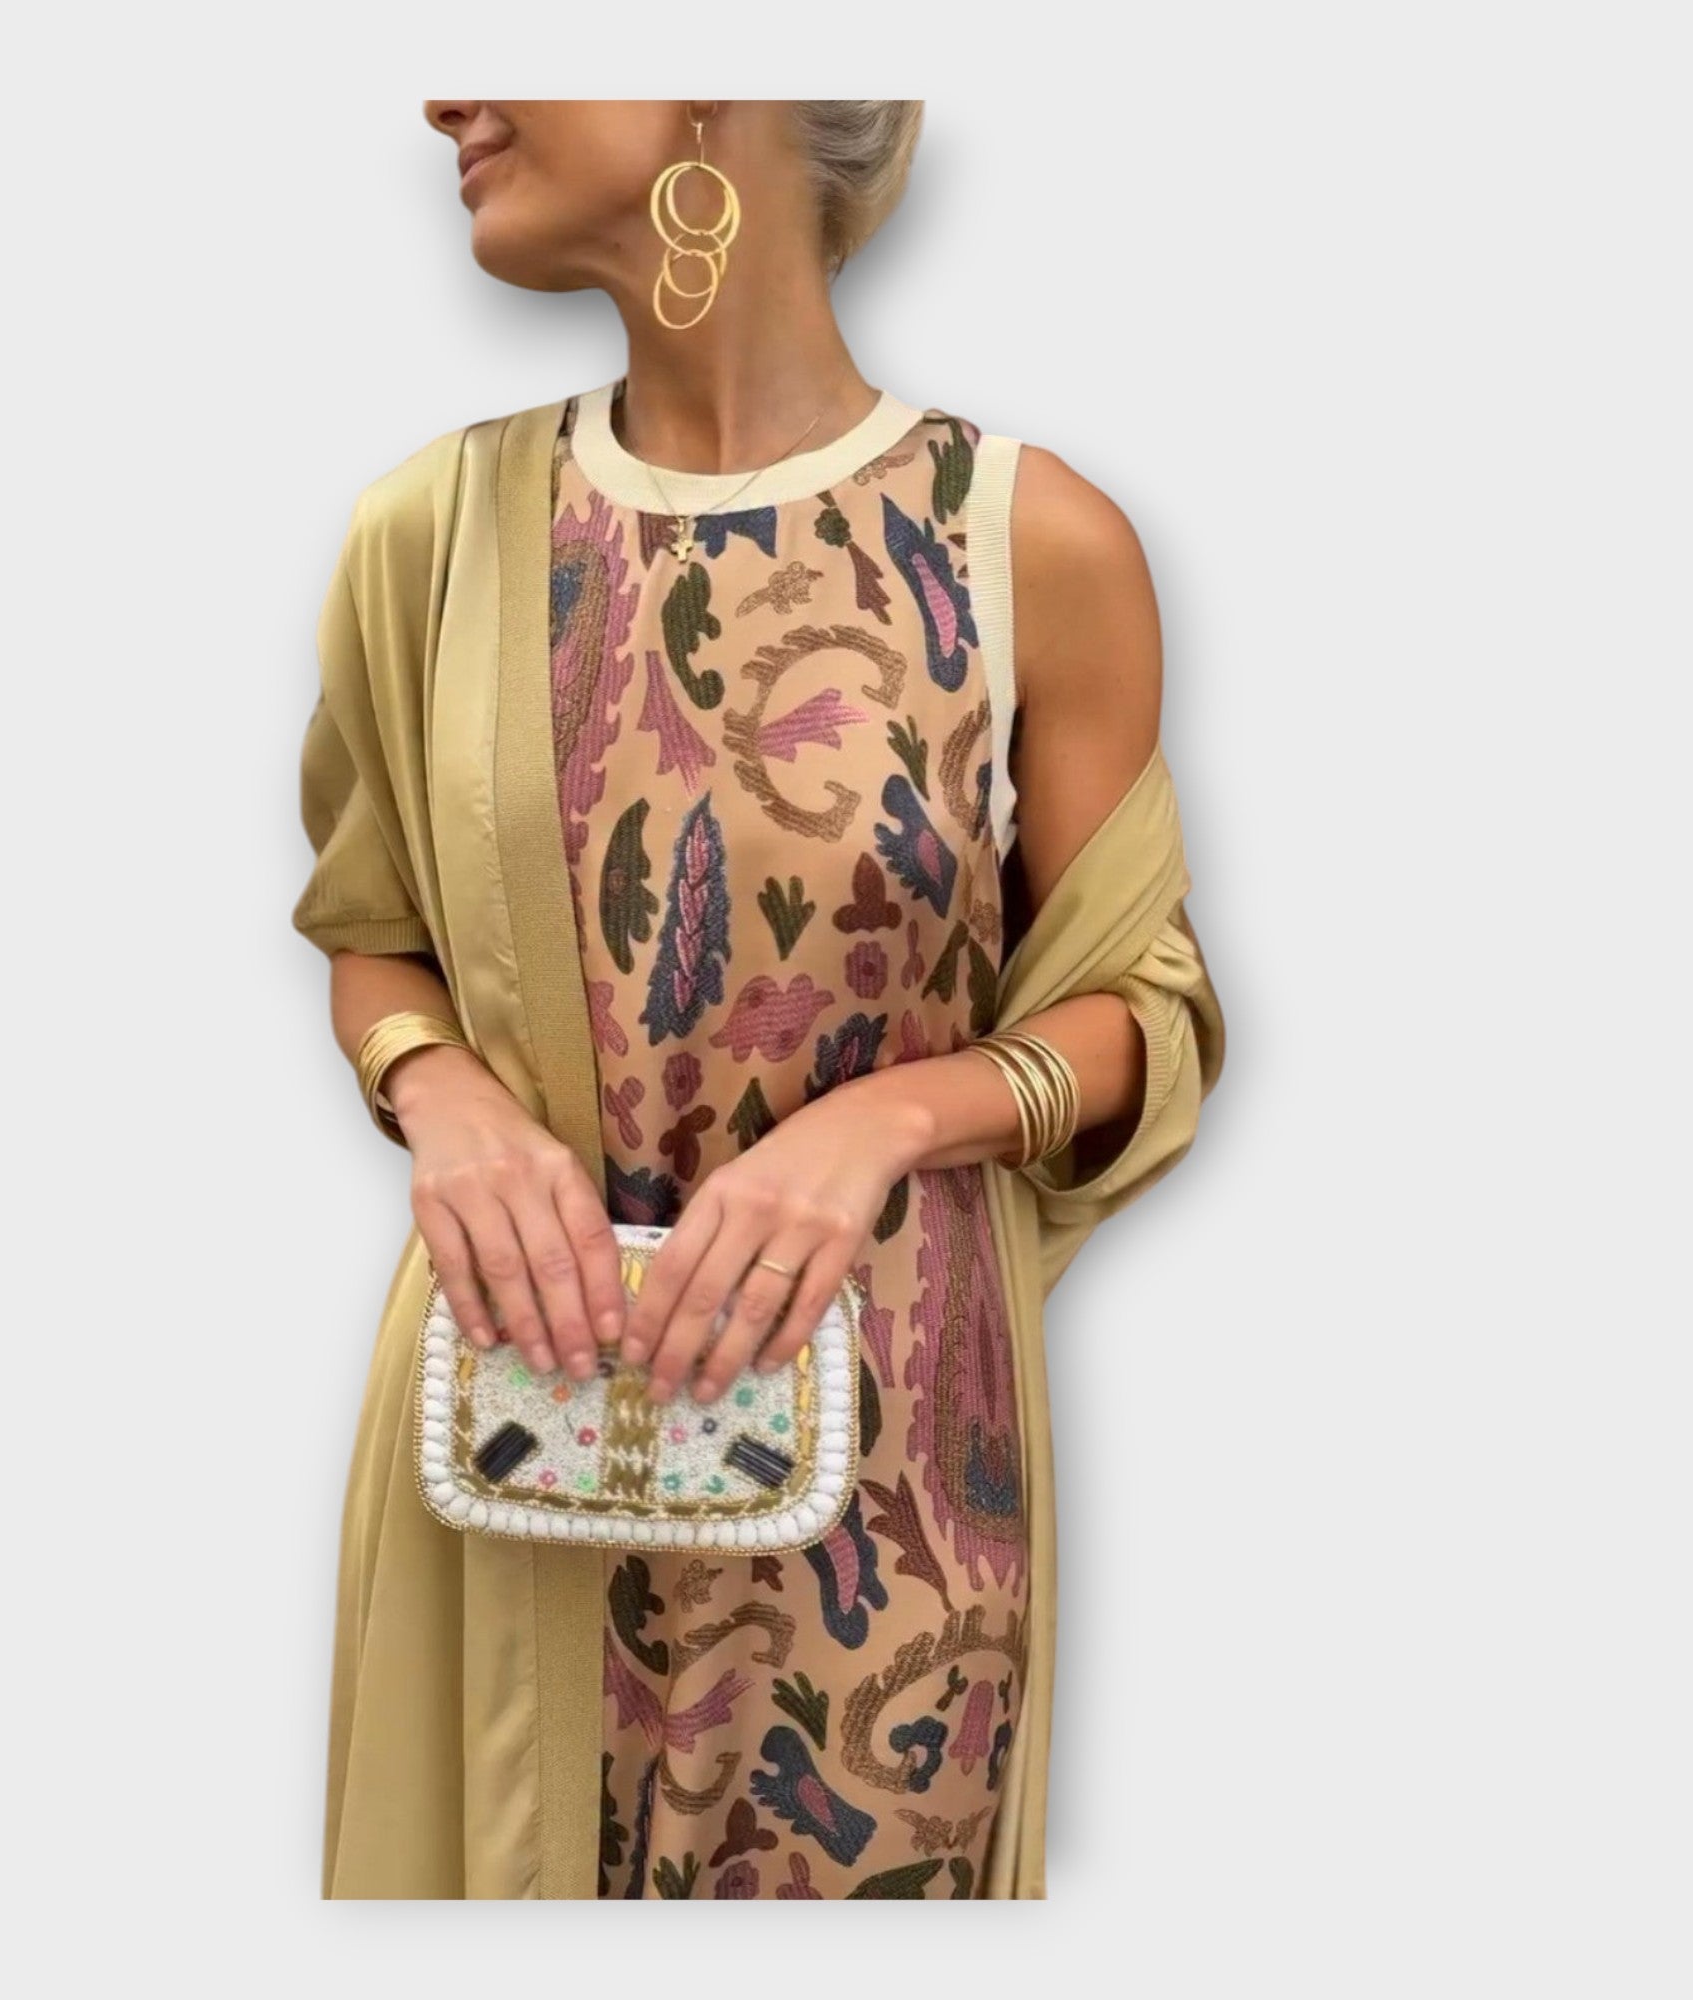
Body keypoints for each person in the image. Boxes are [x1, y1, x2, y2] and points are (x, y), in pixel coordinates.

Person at [291, 98, 1227, 1901]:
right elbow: (370, 926)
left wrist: (884, 1122)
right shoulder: (432, 532)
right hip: (518, 1432)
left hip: (890, 1504)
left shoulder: (1027, 540)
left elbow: (1144, 1014)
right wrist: (442, 1097)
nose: (445, 90)